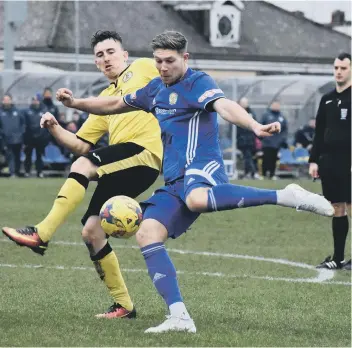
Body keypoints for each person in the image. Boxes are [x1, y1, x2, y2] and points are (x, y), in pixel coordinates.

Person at [54, 31, 334, 334]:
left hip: (202, 167)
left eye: (170, 61)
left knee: (197, 198)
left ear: (185, 58)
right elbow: (113, 104)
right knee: (147, 232)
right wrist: (75, 103)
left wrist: (254, 125)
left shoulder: (197, 82)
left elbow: (225, 106)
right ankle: (179, 317)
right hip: (175, 180)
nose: (163, 67)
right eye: (158, 61)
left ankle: (285, 195)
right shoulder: (154, 90)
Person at [2, 30, 163, 319]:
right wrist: (54, 127)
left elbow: (172, 69)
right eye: (100, 55)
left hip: (143, 153)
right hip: (124, 162)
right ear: (96, 64)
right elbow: (80, 144)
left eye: (111, 51)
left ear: (124, 55)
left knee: (83, 166)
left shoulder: (142, 67)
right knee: (92, 231)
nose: (106, 58)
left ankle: (41, 233)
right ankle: (124, 305)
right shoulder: (102, 99)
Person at [309, 52, 351, 270]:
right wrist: (314, 160)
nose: (339, 71)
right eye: (336, 68)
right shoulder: (326, 99)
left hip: (349, 162)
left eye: (343, 68)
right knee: (337, 208)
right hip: (330, 162)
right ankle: (338, 257)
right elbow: (319, 132)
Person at [23, 96, 51, 178]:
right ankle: (27, 172)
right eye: (34, 100)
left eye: (36, 100)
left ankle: (40, 172)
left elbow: (47, 125)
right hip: (29, 138)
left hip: (40, 138)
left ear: (39, 101)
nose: (35, 102)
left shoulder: (44, 111)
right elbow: (25, 125)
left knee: (39, 156)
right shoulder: (27, 112)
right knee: (28, 156)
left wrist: (45, 136)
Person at [261, 100, 288, 179]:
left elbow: (285, 129)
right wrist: (264, 137)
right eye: (274, 105)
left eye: (277, 105)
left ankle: (272, 174)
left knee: (274, 159)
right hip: (267, 141)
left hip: (277, 142)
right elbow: (261, 125)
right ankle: (264, 174)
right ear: (271, 105)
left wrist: (282, 139)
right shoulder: (266, 115)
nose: (276, 106)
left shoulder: (282, 117)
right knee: (266, 158)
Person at [0, 94, 25, 177]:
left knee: (17, 156)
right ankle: (12, 172)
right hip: (5, 139)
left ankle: (16, 172)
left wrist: (21, 133)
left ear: (11, 101)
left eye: (8, 99)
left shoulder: (17, 112)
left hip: (17, 139)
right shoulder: (0, 112)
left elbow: (23, 124)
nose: (6, 101)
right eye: (5, 99)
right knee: (10, 156)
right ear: (2, 101)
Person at [237, 97, 261, 179]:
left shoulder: (251, 113)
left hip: (251, 140)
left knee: (250, 157)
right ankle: (252, 172)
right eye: (242, 103)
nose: (244, 104)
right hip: (242, 140)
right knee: (247, 157)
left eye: (245, 103)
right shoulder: (236, 112)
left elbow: (255, 125)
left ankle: (249, 173)